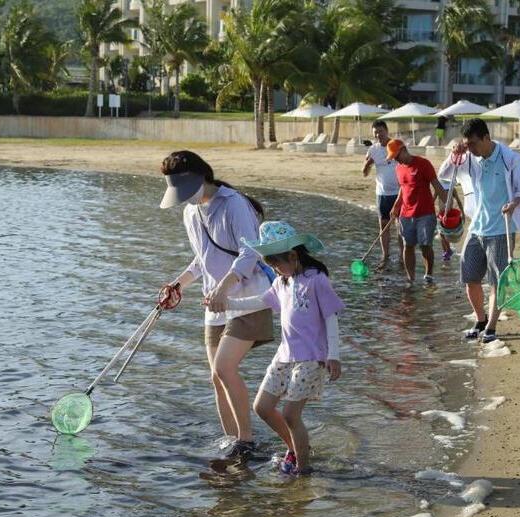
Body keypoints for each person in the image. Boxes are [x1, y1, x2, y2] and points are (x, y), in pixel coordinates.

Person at [159, 150, 274, 465]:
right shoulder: (190, 212)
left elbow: (250, 253)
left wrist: (225, 287)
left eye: (186, 191)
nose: (184, 199)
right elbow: (201, 260)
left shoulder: (234, 203)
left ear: (202, 177)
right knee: (216, 376)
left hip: (248, 299)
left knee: (225, 368)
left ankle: (246, 440)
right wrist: (176, 285)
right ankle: (232, 440)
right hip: (215, 304)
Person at [211, 221, 344, 476]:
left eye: (276, 264)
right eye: (270, 266)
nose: (274, 270)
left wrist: (333, 356)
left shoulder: (316, 279)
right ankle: (295, 449)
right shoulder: (283, 282)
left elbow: (331, 317)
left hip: (312, 358)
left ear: (293, 256)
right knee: (261, 407)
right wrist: (227, 302)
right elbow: (260, 301)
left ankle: (304, 471)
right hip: (285, 355)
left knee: (292, 414)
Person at [439, 118, 520, 343]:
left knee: (496, 282)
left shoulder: (511, 160)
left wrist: (515, 203)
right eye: (467, 144)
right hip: (476, 227)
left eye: (473, 144)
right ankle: (480, 320)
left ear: (486, 138)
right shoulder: (470, 158)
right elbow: (443, 173)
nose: (470, 149)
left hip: (502, 228)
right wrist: (455, 154)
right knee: (470, 278)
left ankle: (491, 327)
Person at [387, 139, 447, 285]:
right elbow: (403, 188)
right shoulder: (399, 168)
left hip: (425, 213)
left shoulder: (423, 164)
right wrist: (396, 205)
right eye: (393, 157)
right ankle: (411, 278)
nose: (395, 159)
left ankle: (429, 274)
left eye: (396, 156)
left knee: (425, 245)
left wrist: (446, 206)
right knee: (408, 245)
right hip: (405, 214)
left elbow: (436, 185)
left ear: (403, 150)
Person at [362, 120, 402, 269]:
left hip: (398, 192)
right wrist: (367, 165)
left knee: (400, 226)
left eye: (380, 131)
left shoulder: (397, 145)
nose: (378, 135)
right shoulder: (373, 150)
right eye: (375, 133)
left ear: (386, 130)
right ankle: (385, 255)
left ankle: (402, 254)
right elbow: (365, 173)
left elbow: (406, 163)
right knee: (383, 224)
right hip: (382, 194)